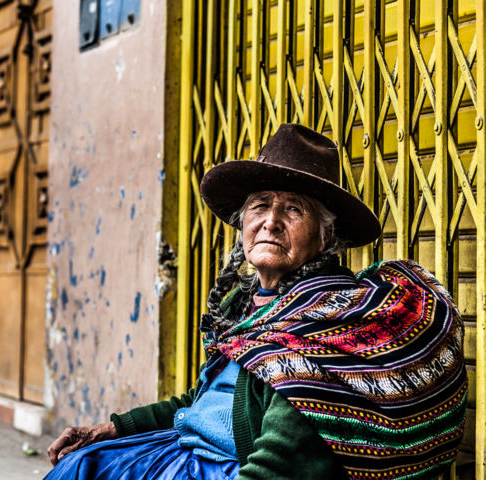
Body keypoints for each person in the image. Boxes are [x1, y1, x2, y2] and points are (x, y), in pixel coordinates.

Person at [45, 124, 467, 480]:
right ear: (242, 224)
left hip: (222, 469)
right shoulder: (251, 306)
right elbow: (205, 401)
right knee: (78, 464)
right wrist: (111, 428)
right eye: (260, 206)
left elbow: (281, 463)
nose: (271, 221)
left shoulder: (329, 322)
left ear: (325, 237)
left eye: (294, 210)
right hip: (184, 449)